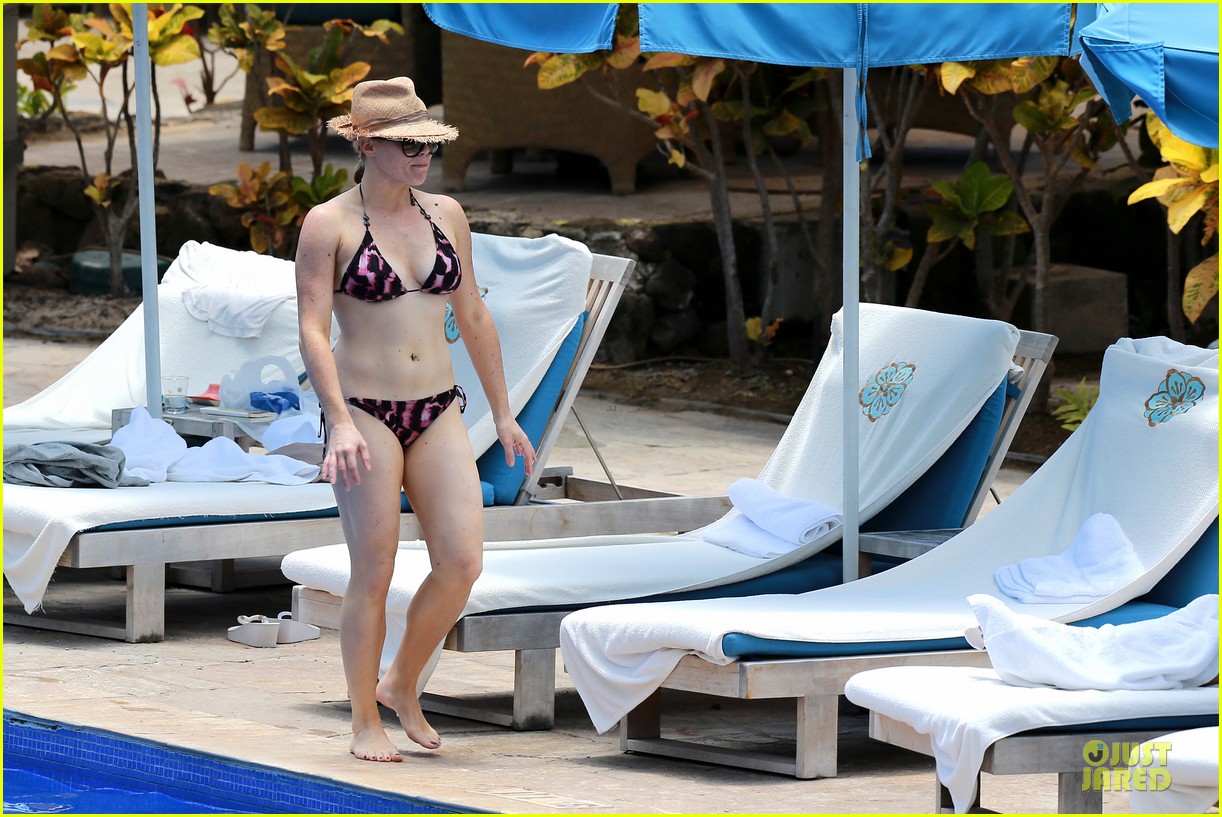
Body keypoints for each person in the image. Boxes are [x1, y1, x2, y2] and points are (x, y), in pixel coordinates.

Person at [295, 76, 537, 762]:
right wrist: (339, 421)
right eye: (407, 144)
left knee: (461, 561)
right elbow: (312, 329)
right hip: (365, 412)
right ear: (367, 145)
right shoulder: (328, 223)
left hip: (437, 408)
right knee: (372, 569)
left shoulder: (447, 214)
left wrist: (504, 412)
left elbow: (474, 315)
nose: (422, 154)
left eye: (427, 143)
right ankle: (363, 720)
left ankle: (400, 681)